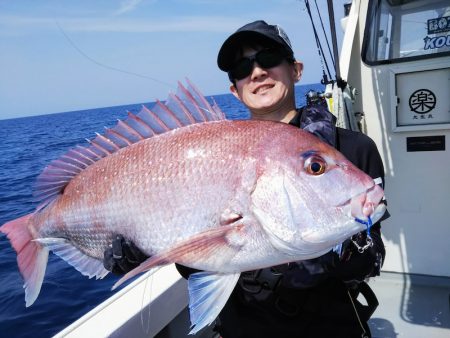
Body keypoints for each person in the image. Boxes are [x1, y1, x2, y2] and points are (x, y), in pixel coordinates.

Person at [104, 20, 388, 338]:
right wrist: (144, 250)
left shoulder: (351, 148)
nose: (256, 72)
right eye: (242, 67)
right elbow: (195, 256)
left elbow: (374, 251)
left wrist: (349, 251)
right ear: (234, 89)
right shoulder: (209, 154)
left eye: (269, 58)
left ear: (296, 69)